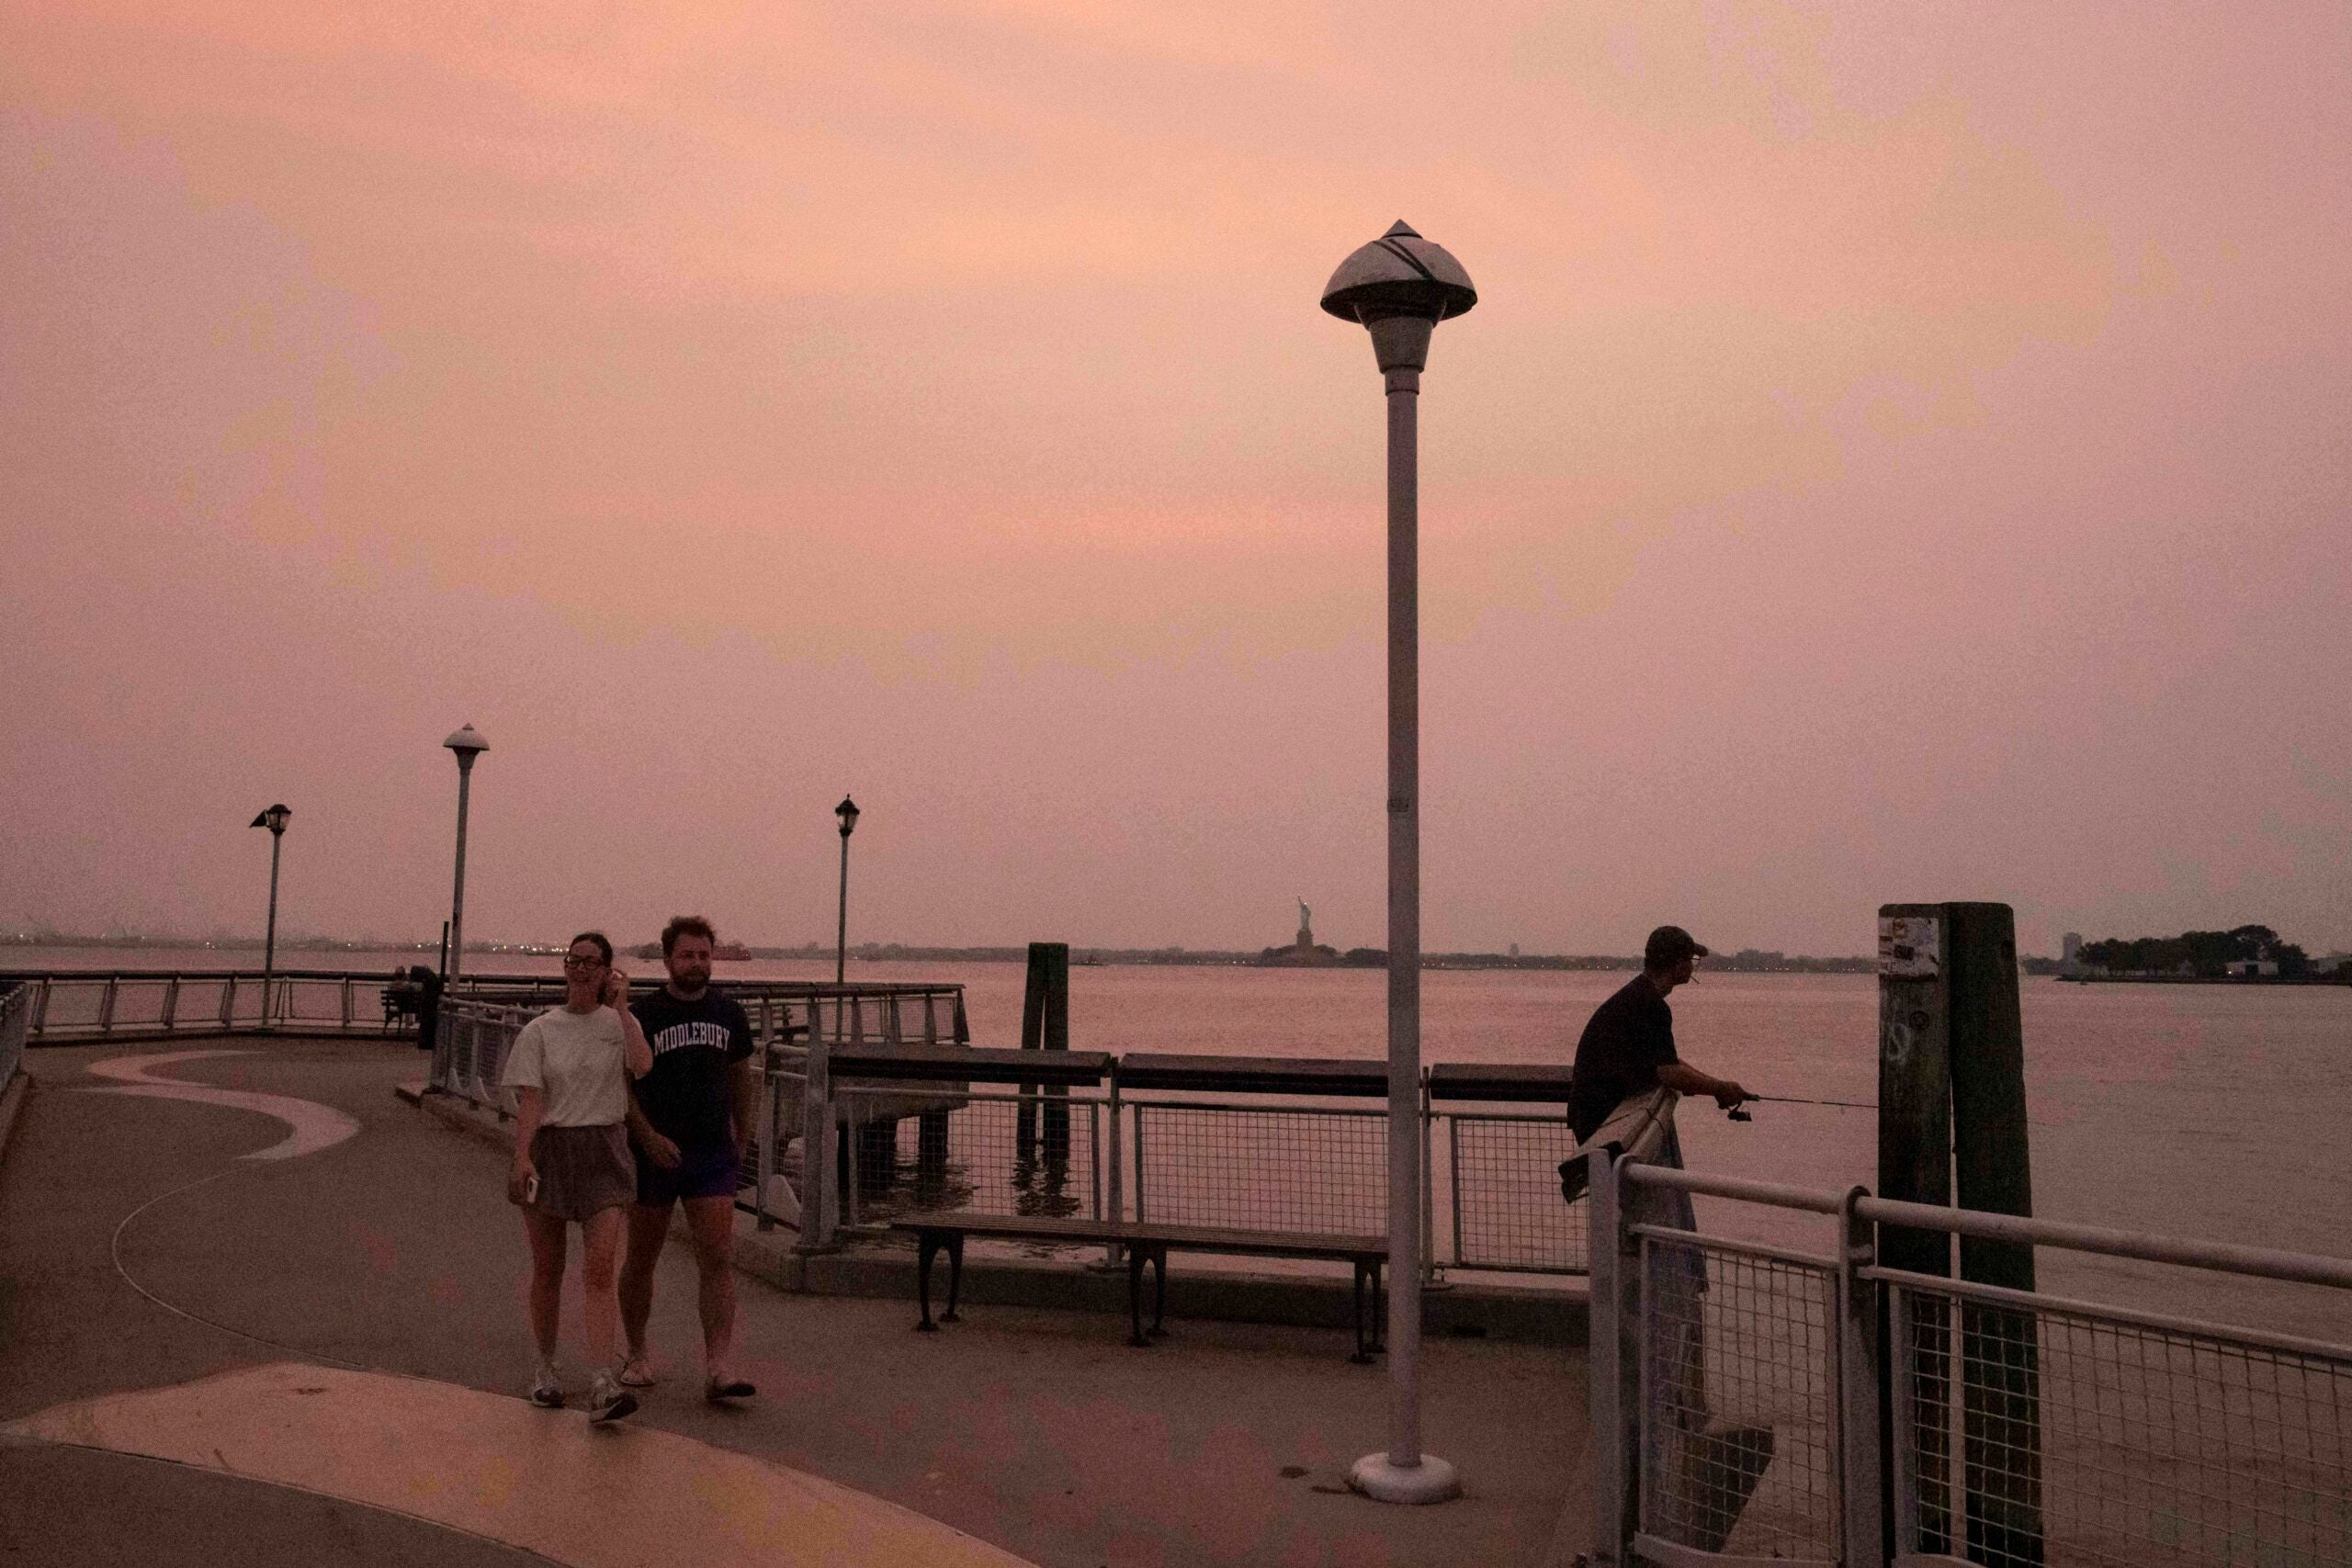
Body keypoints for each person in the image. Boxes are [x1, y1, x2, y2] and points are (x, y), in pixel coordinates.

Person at [501, 931, 654, 1423]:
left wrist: (623, 1008)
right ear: (565, 967)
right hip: (551, 1148)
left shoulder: (618, 1025)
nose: (581, 969)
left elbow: (643, 1065)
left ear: (608, 971)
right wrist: (522, 1156)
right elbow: (531, 1099)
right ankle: (546, 1369)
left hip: (604, 1149)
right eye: (575, 960)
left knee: (600, 1268)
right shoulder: (541, 1031)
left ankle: (603, 1380)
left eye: (592, 962)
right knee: (548, 1268)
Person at [617, 915, 759, 1402]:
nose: (697, 963)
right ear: (667, 959)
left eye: (703, 955)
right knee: (642, 1258)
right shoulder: (644, 1015)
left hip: (711, 1153)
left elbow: (742, 1075)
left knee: (717, 1258)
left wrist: (744, 1132)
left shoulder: (729, 1014)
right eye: (687, 955)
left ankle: (718, 1365)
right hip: (653, 1153)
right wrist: (646, 1136)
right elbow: (622, 1085)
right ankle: (637, 1354)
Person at [1566, 925, 1748, 1145]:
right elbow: (1669, 1072)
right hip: (1602, 1117)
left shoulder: (1638, 995)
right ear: (1678, 964)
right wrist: (1718, 1088)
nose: (1693, 966)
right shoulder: (1652, 1005)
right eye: (1691, 960)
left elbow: (1667, 1061)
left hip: (1590, 1112)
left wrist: (1717, 1086)